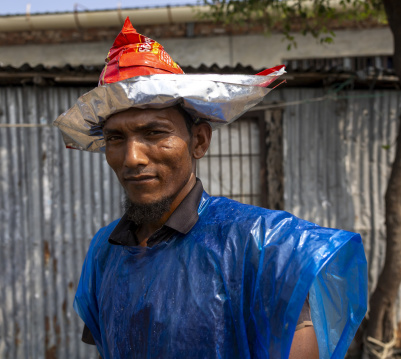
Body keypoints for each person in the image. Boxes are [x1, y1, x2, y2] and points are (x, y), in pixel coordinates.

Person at [54, 18, 367, 359]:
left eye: (155, 133)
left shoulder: (263, 245)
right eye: (116, 138)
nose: (132, 158)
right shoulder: (105, 251)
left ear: (199, 140)